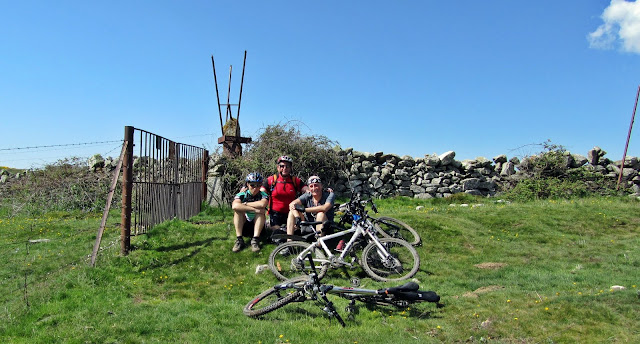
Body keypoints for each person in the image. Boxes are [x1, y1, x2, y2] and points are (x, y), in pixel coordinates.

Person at [263, 155, 308, 231]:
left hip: (290, 212)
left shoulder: (295, 180)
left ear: (290, 168)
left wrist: (324, 190)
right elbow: (260, 191)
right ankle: (270, 225)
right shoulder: (271, 180)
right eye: (282, 166)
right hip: (275, 213)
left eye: (287, 166)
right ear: (278, 167)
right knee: (277, 233)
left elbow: (308, 190)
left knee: (295, 230)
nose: (284, 168)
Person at [231, 172, 269, 252]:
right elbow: (235, 206)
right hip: (244, 224)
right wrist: (254, 209)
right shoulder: (242, 194)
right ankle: (239, 240)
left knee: (260, 213)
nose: (255, 188)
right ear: (247, 184)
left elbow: (262, 204)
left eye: (258, 185)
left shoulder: (263, 195)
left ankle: (255, 240)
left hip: (258, 226)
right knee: (238, 211)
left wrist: (245, 204)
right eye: (252, 185)